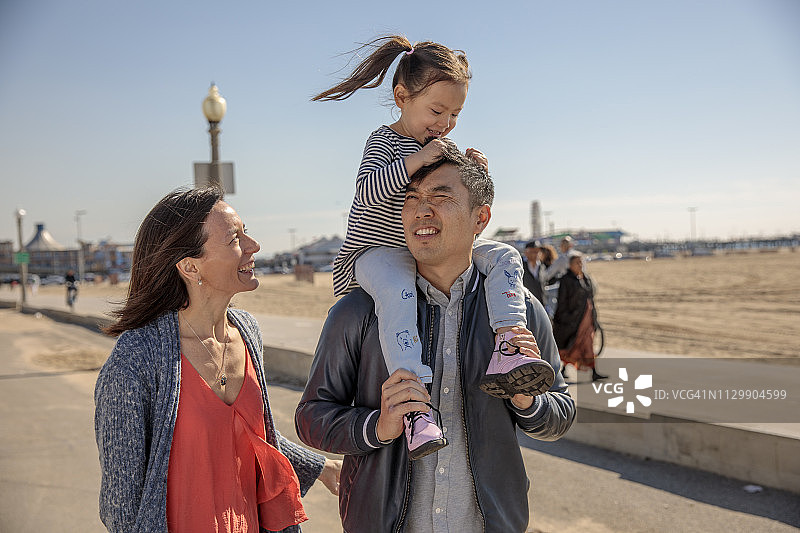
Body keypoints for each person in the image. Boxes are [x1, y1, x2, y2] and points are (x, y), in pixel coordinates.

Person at [295, 142, 575, 533]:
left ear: (481, 218)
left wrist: (526, 398)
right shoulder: (358, 311)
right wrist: (379, 426)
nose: (421, 210)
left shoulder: (519, 312)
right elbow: (311, 418)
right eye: (411, 198)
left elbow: (561, 415)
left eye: (440, 197)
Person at [313, 35, 553, 459]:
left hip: (421, 253)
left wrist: (476, 171)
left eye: (456, 114)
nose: (445, 123)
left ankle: (508, 342)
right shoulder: (385, 141)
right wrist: (415, 162)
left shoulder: (438, 147)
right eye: (437, 111)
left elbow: (464, 197)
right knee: (398, 293)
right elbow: (367, 193)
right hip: (374, 254)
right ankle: (414, 405)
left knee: (504, 255)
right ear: (401, 97)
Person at [94, 187, 341, 532]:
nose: (254, 246)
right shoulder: (136, 359)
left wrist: (321, 467)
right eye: (235, 239)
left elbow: (247, 435)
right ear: (190, 266)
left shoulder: (247, 332)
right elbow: (120, 506)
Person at [552, 253, 608, 382]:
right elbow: (562, 301)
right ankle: (563, 370)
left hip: (587, 319)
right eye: (577, 262)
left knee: (587, 344)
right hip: (572, 320)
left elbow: (590, 298)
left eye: (581, 262)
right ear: (570, 265)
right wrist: (564, 318)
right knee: (571, 345)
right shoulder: (566, 280)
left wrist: (593, 318)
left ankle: (593, 371)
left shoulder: (586, 278)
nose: (580, 265)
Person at [521, 240, 544, 304]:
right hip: (526, 303)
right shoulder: (521, 267)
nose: (536, 254)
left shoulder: (542, 266)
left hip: (540, 304)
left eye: (538, 251)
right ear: (526, 253)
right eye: (533, 251)